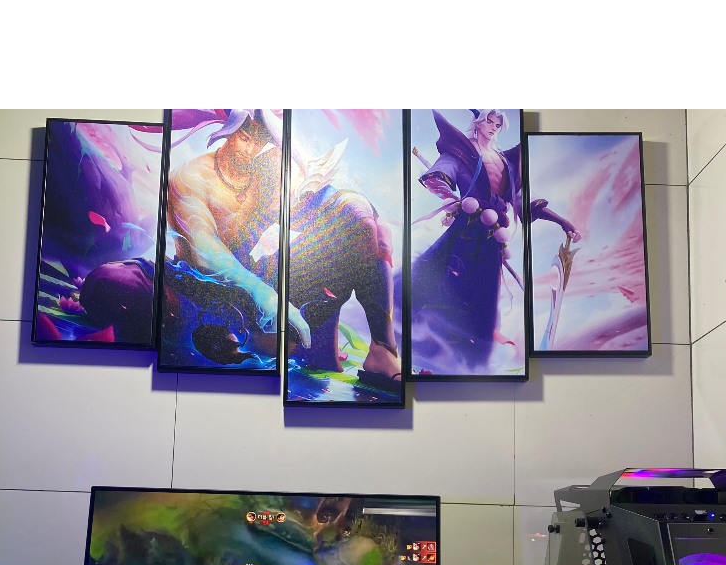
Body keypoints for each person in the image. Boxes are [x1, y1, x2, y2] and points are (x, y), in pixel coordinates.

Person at [163, 109, 401, 389]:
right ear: (229, 131)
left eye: (259, 141)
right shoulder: (191, 177)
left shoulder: (263, 174)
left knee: (367, 223)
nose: (250, 149)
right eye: (244, 137)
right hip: (205, 287)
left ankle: (383, 350)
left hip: (259, 278)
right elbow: (206, 252)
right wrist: (267, 296)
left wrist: (351, 211)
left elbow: (319, 212)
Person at [410, 109, 581, 372]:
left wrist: (561, 221)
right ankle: (428, 349)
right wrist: (451, 198)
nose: (493, 126)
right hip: (466, 230)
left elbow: (522, 201)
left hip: (492, 238)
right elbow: (437, 178)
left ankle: (471, 357)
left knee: (484, 298)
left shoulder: (506, 163)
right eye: (489, 121)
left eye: (498, 124)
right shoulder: (461, 152)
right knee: (445, 282)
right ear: (478, 122)